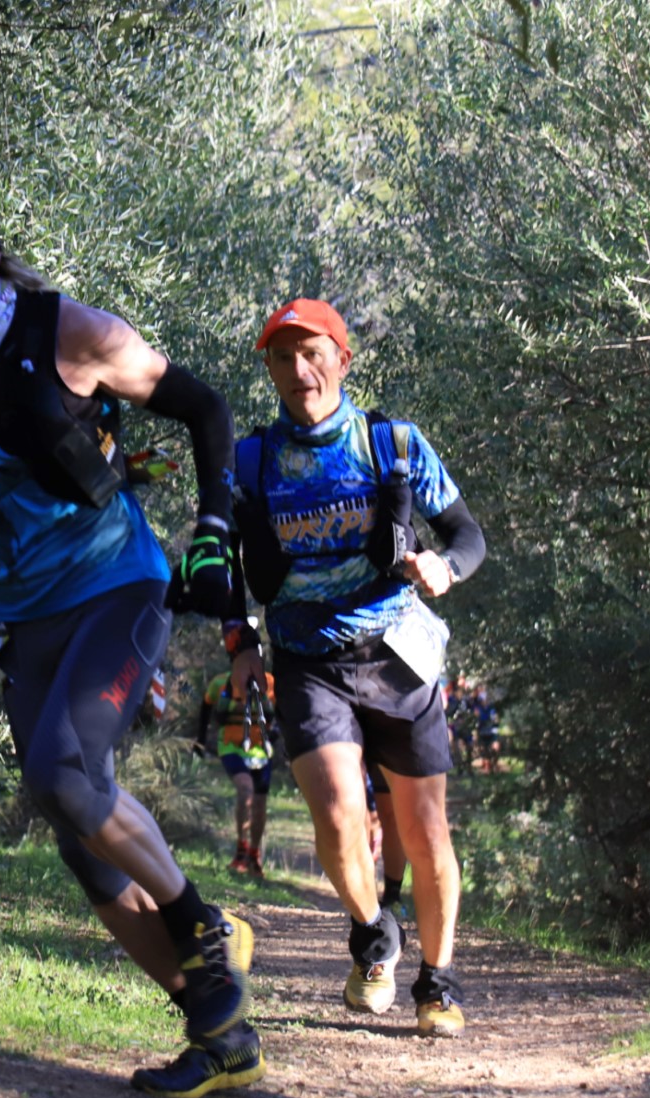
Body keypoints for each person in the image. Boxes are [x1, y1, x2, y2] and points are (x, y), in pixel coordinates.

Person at [0, 174, 260, 1097]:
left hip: (117, 587)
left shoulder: (72, 335)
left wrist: (213, 530)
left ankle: (202, 924)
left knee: (60, 774)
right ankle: (221, 1034)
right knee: (81, 841)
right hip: (24, 613)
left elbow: (206, 410)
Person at [225, 298, 486, 1036]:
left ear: (342, 359)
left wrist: (444, 567)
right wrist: (239, 643)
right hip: (306, 660)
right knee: (339, 813)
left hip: (397, 654)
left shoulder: (392, 445)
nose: (299, 370)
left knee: (426, 830)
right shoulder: (249, 461)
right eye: (283, 357)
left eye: (313, 354)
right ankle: (375, 935)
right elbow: (222, 562)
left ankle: (437, 984)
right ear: (270, 370)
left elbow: (467, 535)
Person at [193, 665, 276, 875]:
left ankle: (253, 854)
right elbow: (206, 707)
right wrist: (200, 740)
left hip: (261, 750)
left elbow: (280, 713)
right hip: (230, 746)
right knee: (245, 790)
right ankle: (241, 849)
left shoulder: (269, 682)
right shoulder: (220, 683)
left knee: (259, 803)